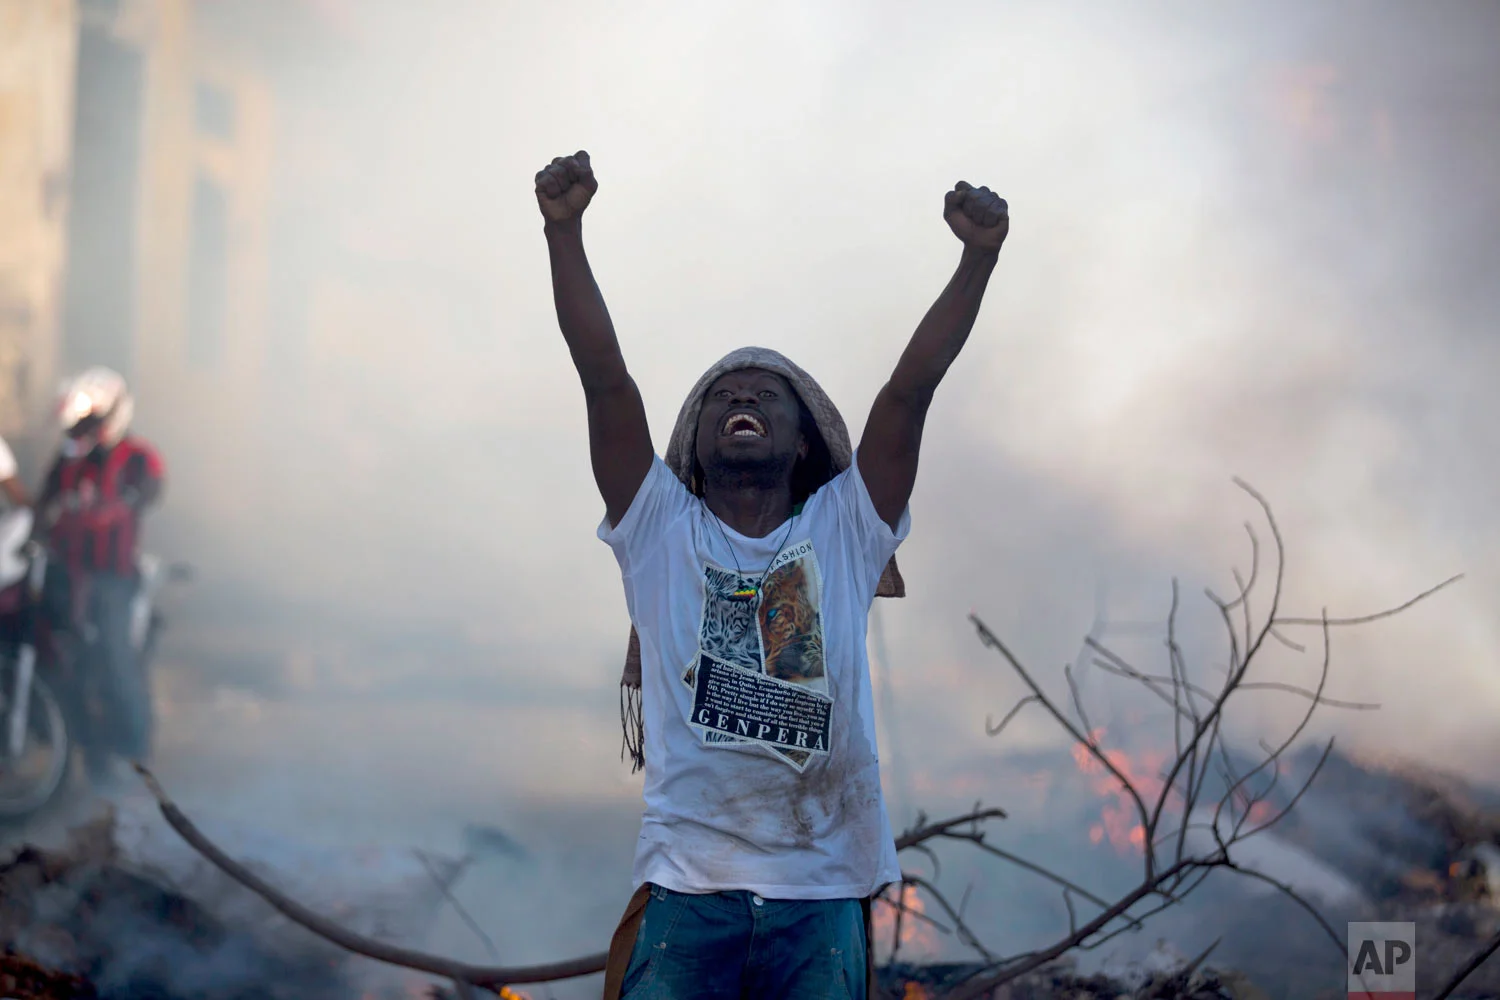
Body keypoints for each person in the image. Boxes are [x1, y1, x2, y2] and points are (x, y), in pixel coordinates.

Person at [536, 150, 1009, 998]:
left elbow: (908, 395)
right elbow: (603, 378)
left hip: (821, 898)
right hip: (689, 893)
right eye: (721, 395)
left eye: (765, 395)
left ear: (801, 443)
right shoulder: (658, 529)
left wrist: (977, 260)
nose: (738, 399)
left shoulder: (846, 528)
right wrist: (563, 233)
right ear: (697, 441)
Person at [35, 366, 165, 773]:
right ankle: (82, 751)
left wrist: (121, 504)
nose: (82, 429)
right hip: (66, 573)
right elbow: (43, 504)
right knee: (61, 657)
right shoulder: (69, 460)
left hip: (113, 576)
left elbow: (151, 488)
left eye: (90, 420)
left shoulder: (137, 457)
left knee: (114, 657)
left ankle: (135, 753)